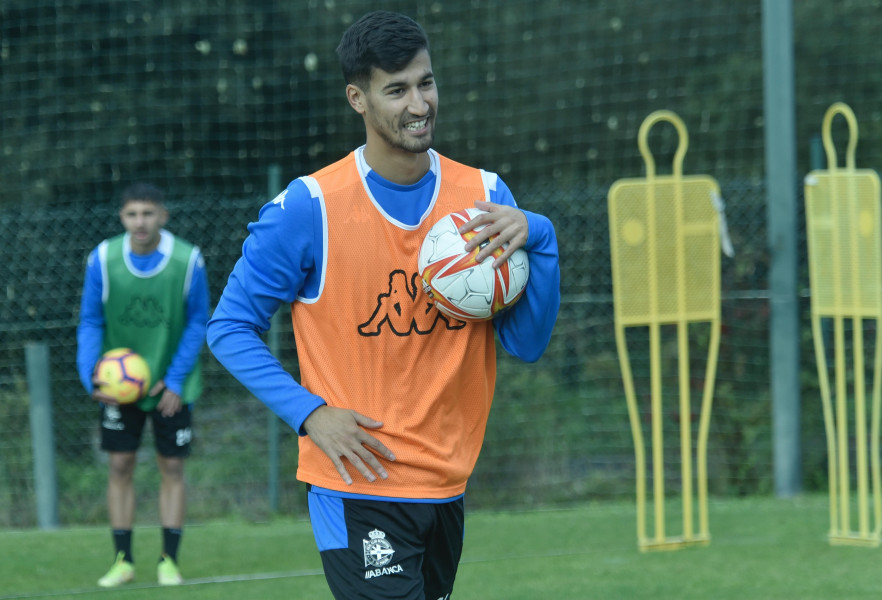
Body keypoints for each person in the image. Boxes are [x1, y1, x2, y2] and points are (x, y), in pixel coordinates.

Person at [207, 10, 560, 600]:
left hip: (447, 486)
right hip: (358, 486)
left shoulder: (485, 198)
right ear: (358, 98)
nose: (418, 103)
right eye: (396, 90)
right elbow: (229, 327)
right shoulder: (310, 207)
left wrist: (542, 236)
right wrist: (310, 413)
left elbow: (525, 343)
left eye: (425, 82)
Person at [76, 182, 208, 587]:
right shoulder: (103, 258)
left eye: (148, 213)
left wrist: (173, 380)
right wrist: (91, 375)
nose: (140, 222)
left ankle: (169, 560)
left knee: (171, 466)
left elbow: (197, 322)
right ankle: (123, 560)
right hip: (119, 386)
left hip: (171, 386)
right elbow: (91, 321)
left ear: (162, 216)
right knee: (119, 465)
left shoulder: (188, 261)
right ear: (122, 218)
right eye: (132, 214)